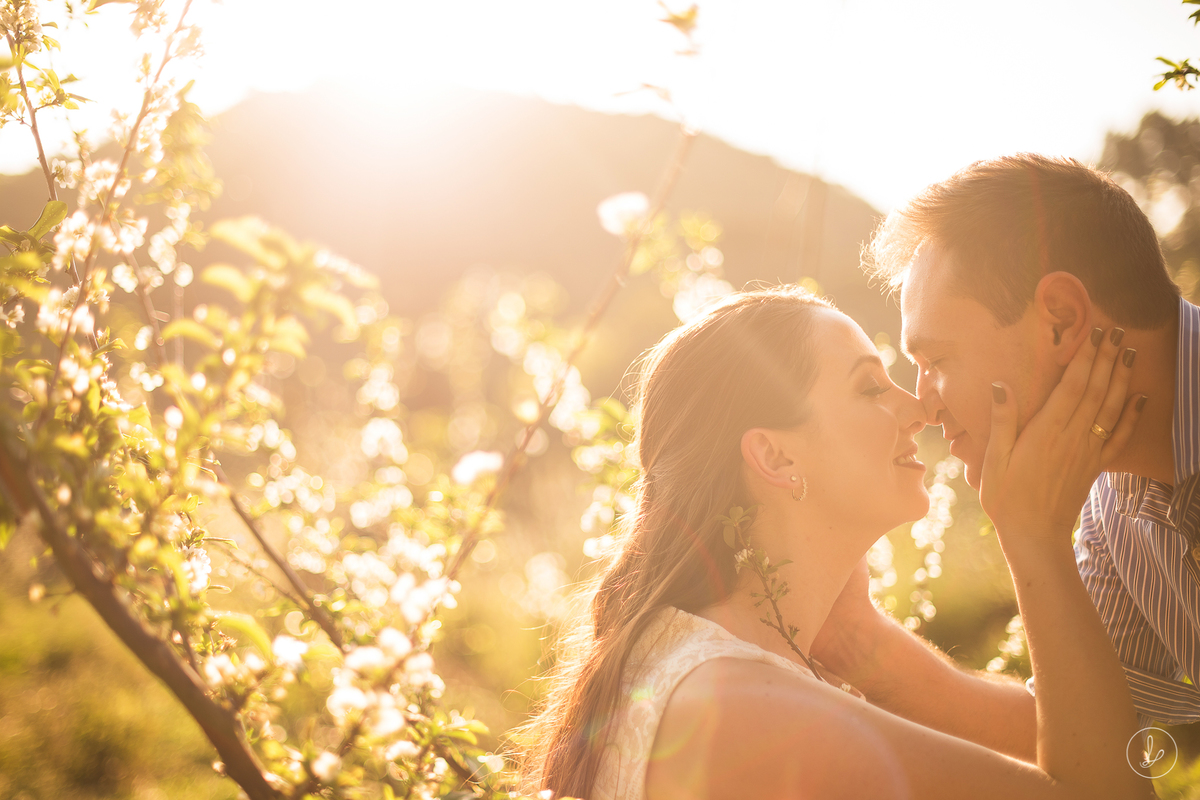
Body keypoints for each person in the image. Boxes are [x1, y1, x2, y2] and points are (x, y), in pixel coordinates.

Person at [519, 285, 1153, 799]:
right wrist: (1034, 533)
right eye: (870, 387)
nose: (920, 409)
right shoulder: (739, 711)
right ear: (774, 455)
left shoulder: (699, 668)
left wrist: (863, 641)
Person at [808, 155, 1198, 764]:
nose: (926, 405)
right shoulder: (1117, 508)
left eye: (937, 360)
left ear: (1062, 321)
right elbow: (1086, 731)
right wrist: (859, 642)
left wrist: (1032, 535)